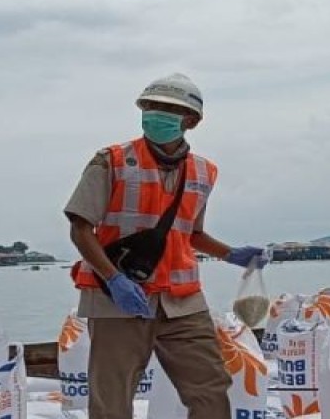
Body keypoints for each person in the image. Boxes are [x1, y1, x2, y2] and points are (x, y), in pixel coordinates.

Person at [65, 73, 269, 419]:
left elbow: (191, 233)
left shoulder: (205, 172)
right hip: (117, 297)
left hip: (182, 299)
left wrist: (231, 254)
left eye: (168, 108)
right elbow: (81, 228)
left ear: (192, 121)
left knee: (210, 388)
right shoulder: (111, 160)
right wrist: (114, 279)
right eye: (151, 106)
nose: (155, 113)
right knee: (112, 398)